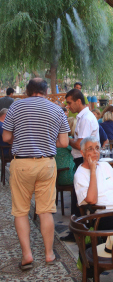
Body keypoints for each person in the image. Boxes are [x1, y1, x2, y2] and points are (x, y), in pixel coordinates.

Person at [2, 78, 69, 269]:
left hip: (22, 162)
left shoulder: (16, 106)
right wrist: (47, 140)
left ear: (27, 91)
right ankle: (49, 254)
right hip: (46, 163)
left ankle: (27, 255)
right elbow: (64, 143)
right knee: (45, 211)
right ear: (46, 91)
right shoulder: (57, 109)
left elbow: (6, 136)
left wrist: (22, 137)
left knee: (21, 211)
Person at [64, 88, 99, 239]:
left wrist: (66, 139)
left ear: (79, 101)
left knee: (79, 197)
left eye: (70, 103)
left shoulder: (85, 119)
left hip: (85, 159)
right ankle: (78, 230)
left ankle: (78, 231)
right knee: (78, 196)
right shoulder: (83, 117)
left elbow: (80, 144)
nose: (68, 106)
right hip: (83, 158)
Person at [55, 117, 76, 187]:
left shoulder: (59, 140)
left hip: (56, 176)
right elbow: (79, 149)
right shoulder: (69, 141)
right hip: (67, 176)